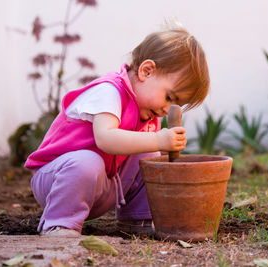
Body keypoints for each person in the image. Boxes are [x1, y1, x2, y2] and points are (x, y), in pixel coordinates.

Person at [24, 23, 210, 236]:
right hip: (56, 182)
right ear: (146, 71)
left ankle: (137, 219)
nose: (166, 110)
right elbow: (105, 139)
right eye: (169, 97)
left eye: (175, 103)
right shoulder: (110, 91)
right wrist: (159, 140)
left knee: (148, 153)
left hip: (101, 186)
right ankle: (59, 224)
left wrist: (163, 152)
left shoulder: (146, 111)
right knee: (89, 161)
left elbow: (147, 150)